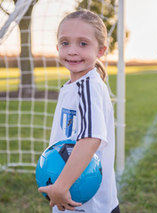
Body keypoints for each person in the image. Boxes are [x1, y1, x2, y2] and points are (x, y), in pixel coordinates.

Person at [38, 9, 120, 213]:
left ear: (101, 50)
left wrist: (61, 186)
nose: (72, 50)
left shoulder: (88, 87)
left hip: (89, 205)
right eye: (65, 43)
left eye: (83, 43)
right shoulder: (74, 85)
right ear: (58, 47)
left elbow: (91, 139)